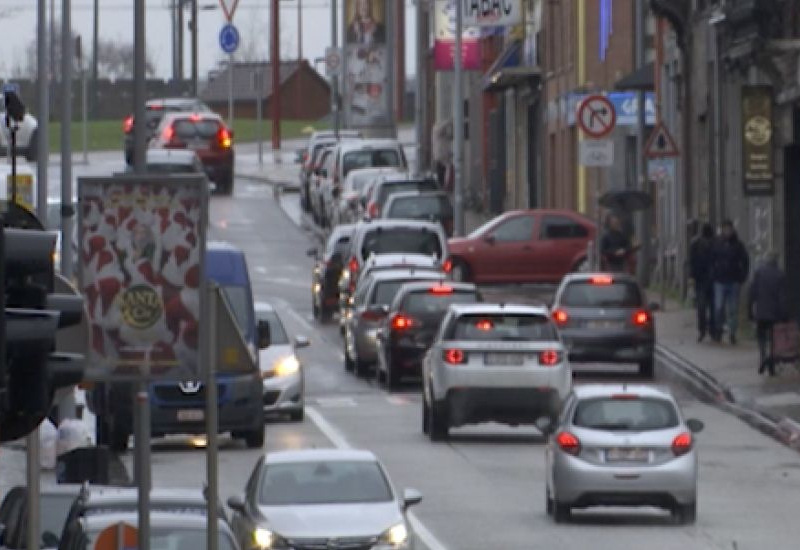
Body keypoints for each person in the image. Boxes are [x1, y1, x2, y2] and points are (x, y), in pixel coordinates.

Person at [748, 252, 788, 375]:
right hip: (774, 313)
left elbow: (752, 292)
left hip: (761, 312)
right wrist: (784, 315)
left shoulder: (759, 272)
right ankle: (771, 364)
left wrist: (749, 309)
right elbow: (782, 298)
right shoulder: (780, 275)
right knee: (773, 339)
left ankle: (763, 355)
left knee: (761, 336)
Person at [711, 219, 750, 344]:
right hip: (719, 281)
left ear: (732, 230)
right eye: (725, 229)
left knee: (733, 309)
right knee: (718, 307)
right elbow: (711, 259)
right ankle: (718, 330)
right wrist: (713, 274)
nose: (727, 231)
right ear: (722, 230)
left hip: (733, 281)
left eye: (729, 228)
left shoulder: (738, 245)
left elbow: (745, 260)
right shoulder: (717, 243)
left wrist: (742, 276)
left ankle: (732, 333)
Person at [689, 223, 716, 342]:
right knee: (706, 306)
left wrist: (691, 276)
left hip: (707, 279)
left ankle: (708, 330)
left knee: (707, 307)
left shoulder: (714, 243)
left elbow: (691, 261)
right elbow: (692, 261)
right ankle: (707, 330)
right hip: (704, 279)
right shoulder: (697, 243)